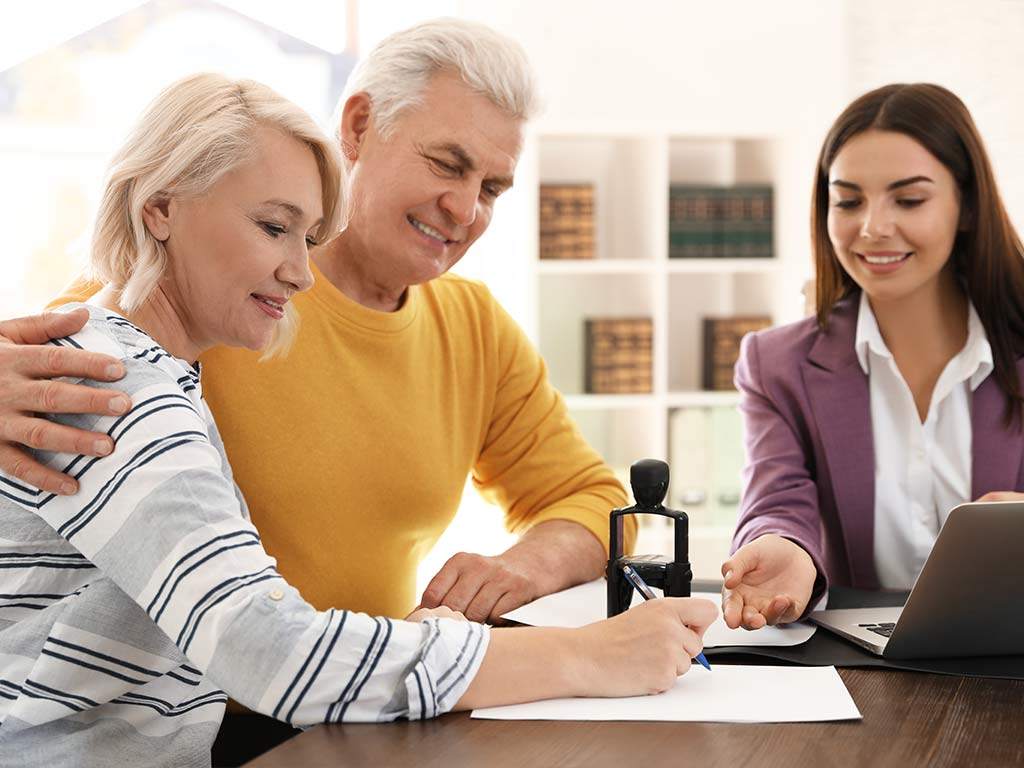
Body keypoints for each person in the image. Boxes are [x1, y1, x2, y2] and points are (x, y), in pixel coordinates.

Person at [0, 72, 717, 768]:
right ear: (161, 209)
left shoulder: (152, 368)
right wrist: (588, 655)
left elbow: (587, 493)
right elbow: (272, 652)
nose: (299, 274)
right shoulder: (114, 386)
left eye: (306, 237)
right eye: (273, 227)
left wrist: (480, 602)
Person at [0, 18, 635, 630]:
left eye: (492, 188)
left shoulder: (474, 328)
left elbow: (598, 501)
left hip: (365, 695)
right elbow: (66, 352)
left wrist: (518, 570)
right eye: (447, 163)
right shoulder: (214, 286)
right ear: (359, 127)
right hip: (208, 724)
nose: (466, 208)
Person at [720, 83, 1024, 631]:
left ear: (969, 207)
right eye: (849, 200)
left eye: (909, 200)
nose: (872, 228)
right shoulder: (776, 365)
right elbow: (778, 496)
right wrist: (783, 548)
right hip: (861, 675)